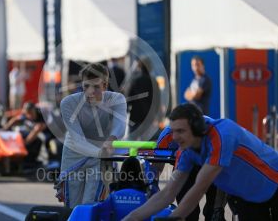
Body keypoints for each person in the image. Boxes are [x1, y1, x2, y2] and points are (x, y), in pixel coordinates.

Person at [123, 103, 278, 221]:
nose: (175, 137)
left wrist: (172, 218)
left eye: (180, 131)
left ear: (197, 128)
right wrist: (131, 217)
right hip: (250, 196)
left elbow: (199, 187)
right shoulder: (187, 151)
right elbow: (168, 193)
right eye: (173, 131)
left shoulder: (222, 134)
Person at [59, 63, 127, 208]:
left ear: (105, 85)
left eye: (96, 87)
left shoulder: (117, 99)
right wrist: (101, 151)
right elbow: (78, 139)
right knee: (73, 206)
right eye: (86, 86)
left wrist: (111, 140)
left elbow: (120, 126)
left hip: (101, 155)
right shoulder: (68, 102)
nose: (90, 92)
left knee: (92, 203)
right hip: (75, 154)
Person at [126, 57, 160, 140]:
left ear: (140, 67)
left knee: (132, 143)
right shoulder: (154, 82)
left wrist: (126, 109)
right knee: (146, 144)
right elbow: (157, 101)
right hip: (149, 117)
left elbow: (129, 98)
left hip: (135, 116)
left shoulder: (135, 80)